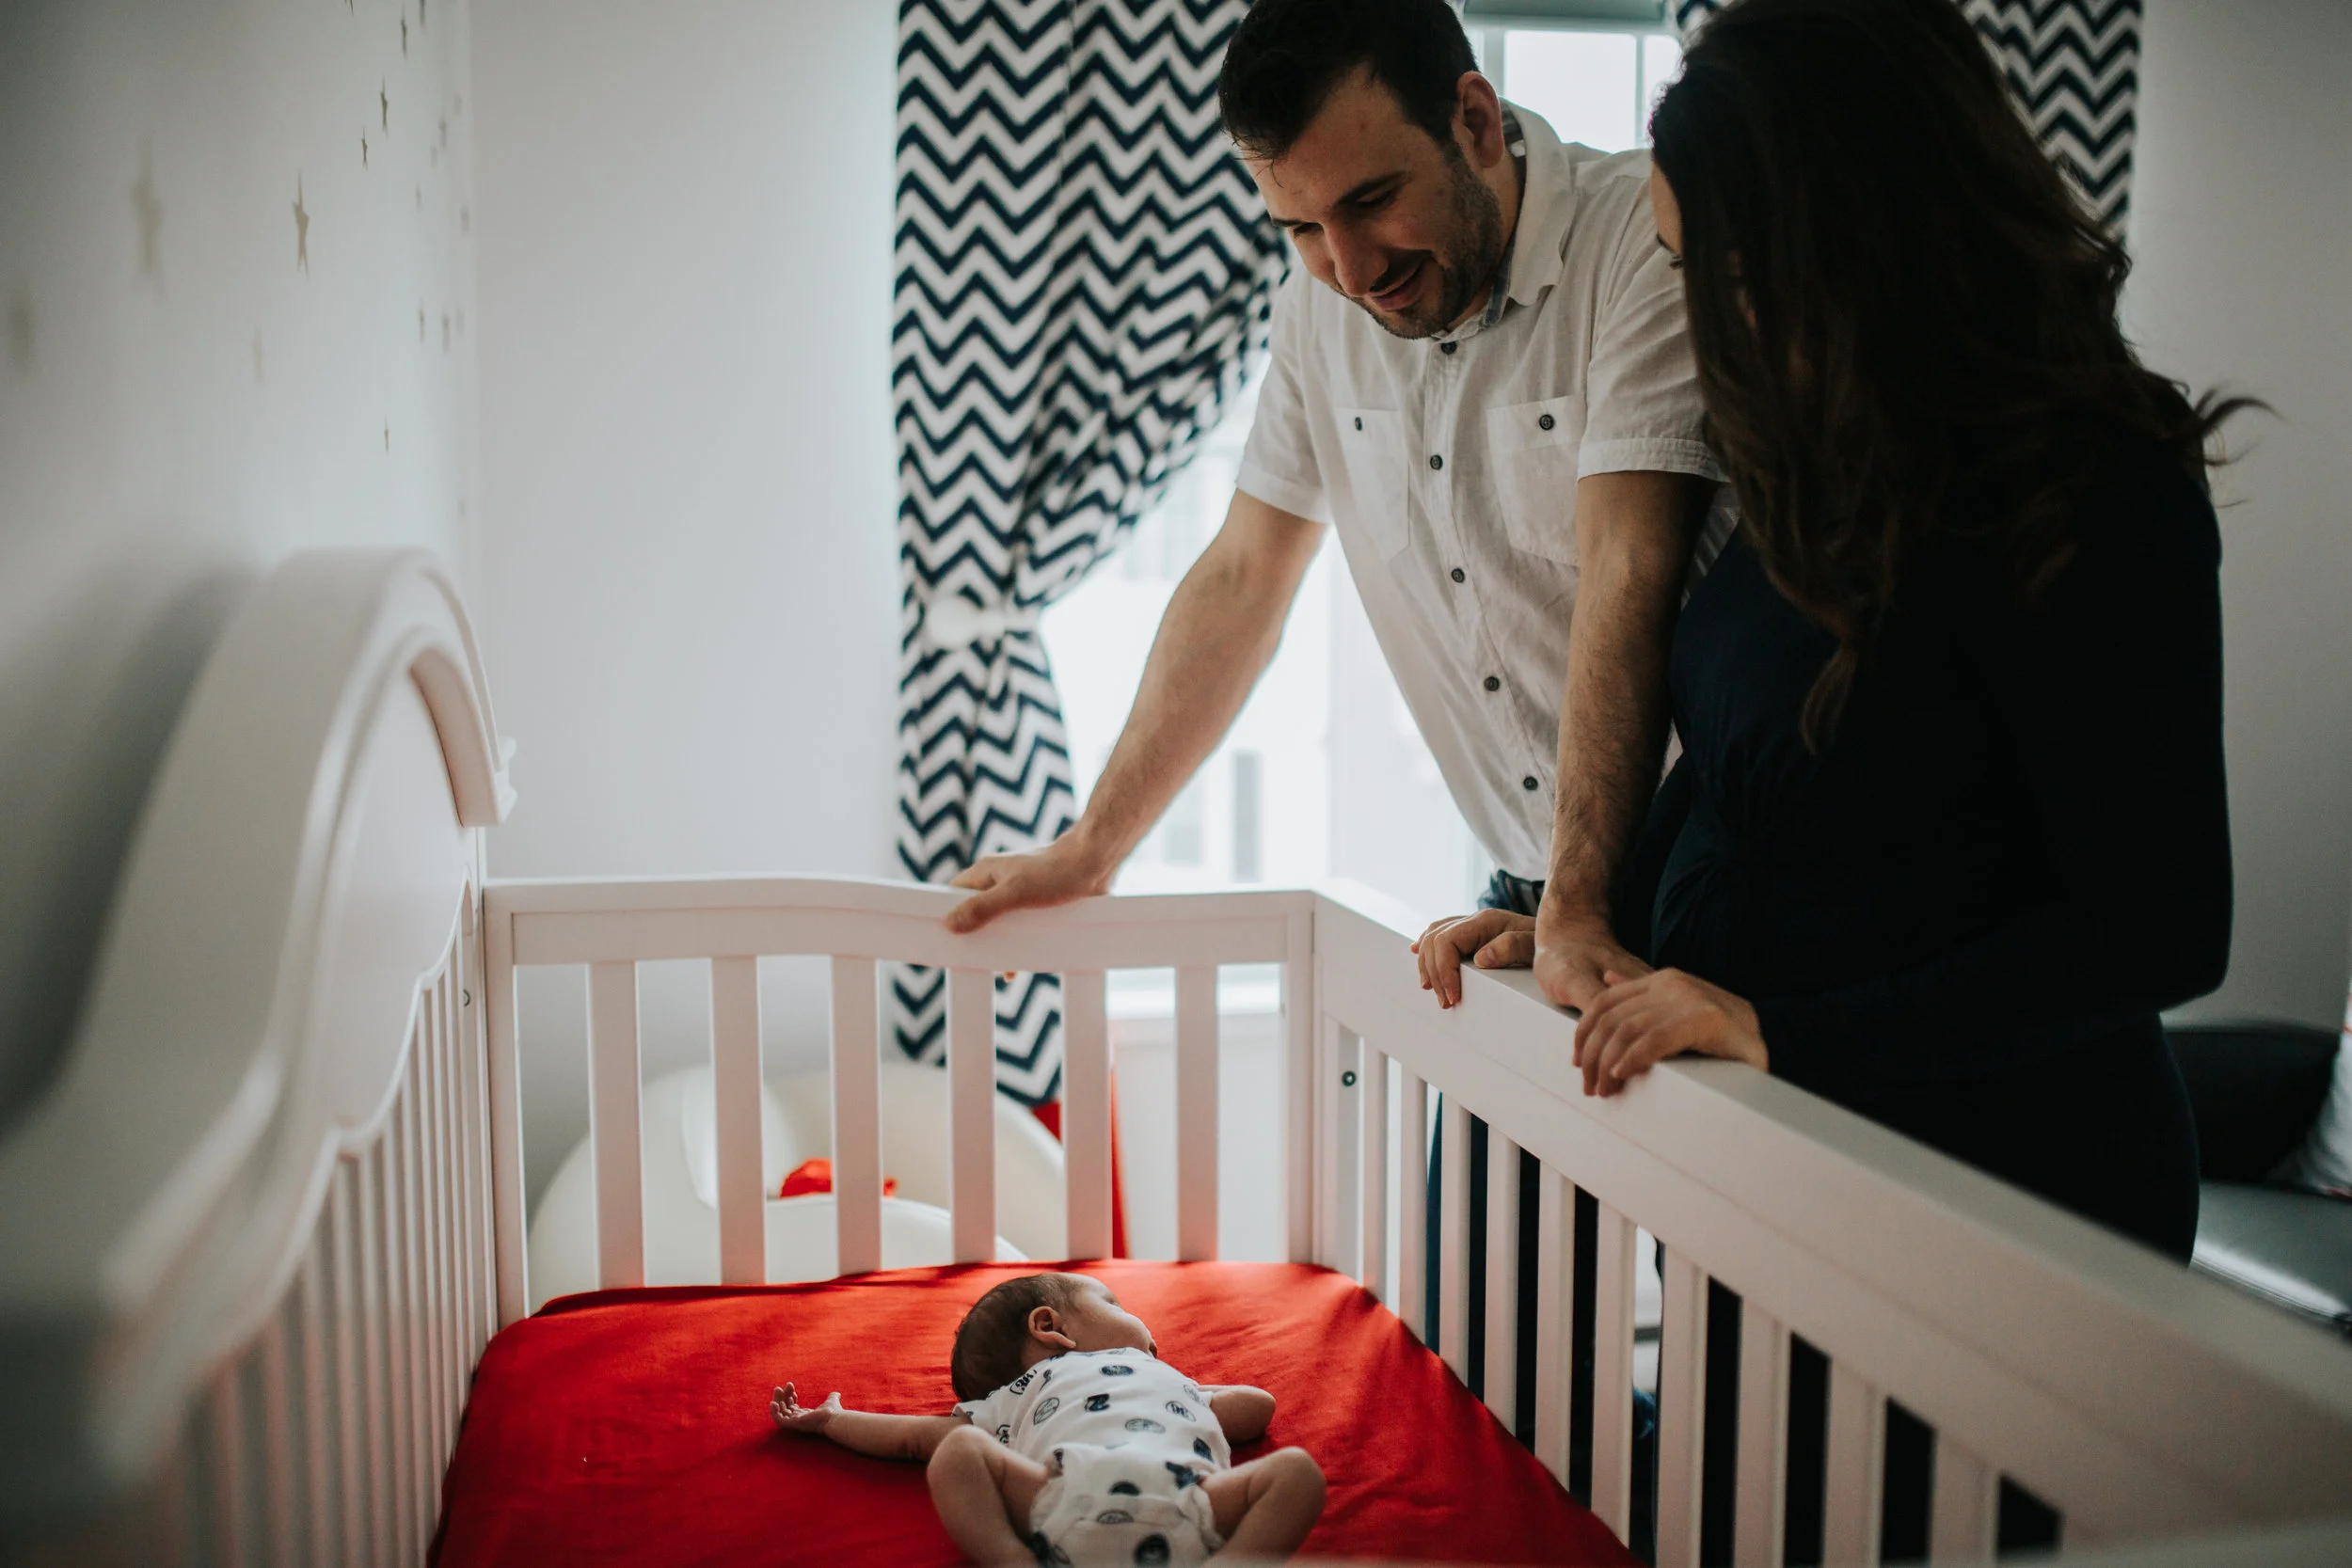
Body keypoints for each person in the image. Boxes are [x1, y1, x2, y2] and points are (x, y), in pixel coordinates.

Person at [1569, 0, 2249, 1269]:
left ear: (1853, 237)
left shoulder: (2091, 490)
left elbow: (2163, 928)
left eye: (1727, 276)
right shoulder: (1809, 459)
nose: (1713, 332)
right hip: (1780, 1162)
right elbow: (1734, 781)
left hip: (2001, 1190)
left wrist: (1788, 1031)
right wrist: (1585, 921)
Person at [771, 1272, 1324, 1566]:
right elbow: (917, 1437)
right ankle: (1010, 1560)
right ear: (1050, 1325)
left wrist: (1185, 1387)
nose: (1141, 1322)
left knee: (1298, 1471)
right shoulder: (1015, 1397)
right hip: (1068, 1496)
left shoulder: (1175, 1384)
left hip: (1192, 1500)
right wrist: (835, 1420)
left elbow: (1256, 1409)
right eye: (1115, 1302)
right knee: (959, 1453)